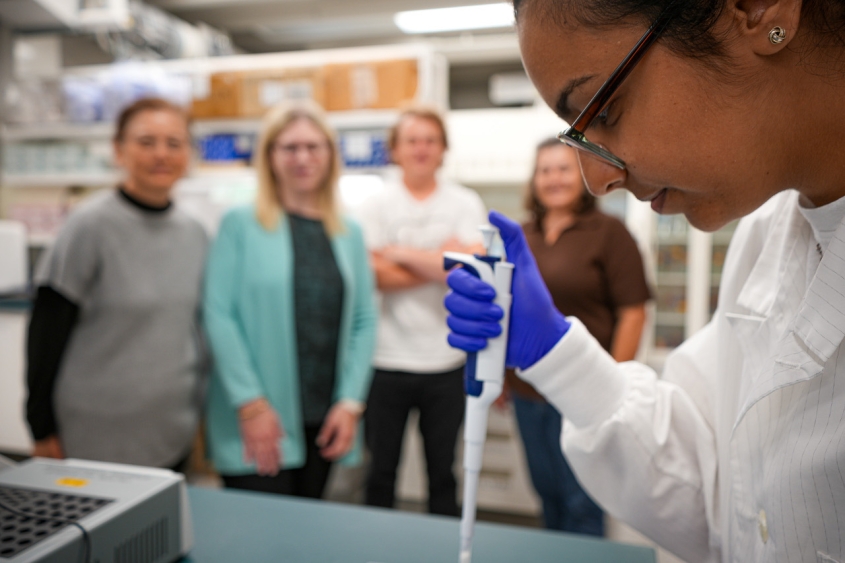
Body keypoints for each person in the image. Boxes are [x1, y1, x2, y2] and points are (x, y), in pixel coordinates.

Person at [443, 0, 845, 561]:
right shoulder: (767, 242)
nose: (595, 178)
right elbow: (728, 499)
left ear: (756, 10)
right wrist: (557, 353)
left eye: (602, 110)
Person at [203, 101, 377, 499]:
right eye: (289, 147)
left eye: (314, 146)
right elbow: (218, 314)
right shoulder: (239, 225)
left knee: (307, 530)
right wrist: (251, 405)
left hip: (326, 415)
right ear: (269, 156)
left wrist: (351, 402)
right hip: (262, 415)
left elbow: (364, 319)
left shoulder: (347, 231)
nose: (303, 157)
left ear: (331, 155)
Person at [25, 97, 207, 470]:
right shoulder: (89, 225)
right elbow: (47, 330)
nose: (161, 154)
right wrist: (40, 425)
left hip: (171, 430)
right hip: (94, 434)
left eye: (174, 143)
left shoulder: (195, 234)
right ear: (118, 150)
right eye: (146, 141)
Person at [506, 138, 650, 536]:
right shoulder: (521, 236)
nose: (553, 178)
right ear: (534, 180)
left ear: (583, 175)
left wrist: (613, 383)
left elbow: (633, 311)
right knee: (547, 493)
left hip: (584, 393)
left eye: (563, 168)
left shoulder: (609, 233)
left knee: (582, 501)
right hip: (528, 391)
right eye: (545, 170)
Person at [355, 106, 487, 516]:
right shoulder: (375, 204)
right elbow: (372, 274)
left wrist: (400, 254)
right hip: (386, 361)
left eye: (430, 140)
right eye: (412, 140)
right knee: (380, 472)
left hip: (446, 362)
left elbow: (476, 267)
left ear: (443, 149)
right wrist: (443, 261)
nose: (421, 148)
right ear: (395, 149)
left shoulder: (465, 202)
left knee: (443, 474)